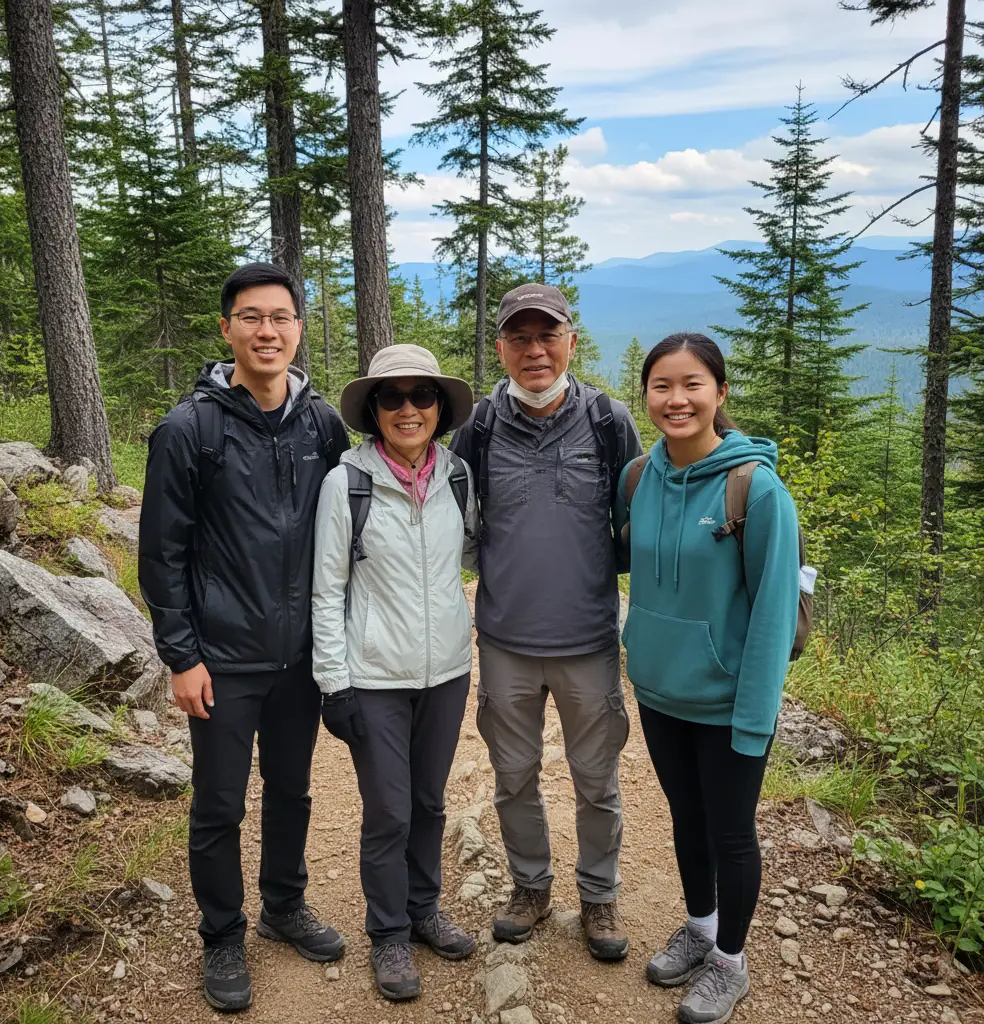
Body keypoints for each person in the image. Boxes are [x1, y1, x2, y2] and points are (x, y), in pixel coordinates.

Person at [138, 263, 351, 1013]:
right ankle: (223, 932)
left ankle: (284, 905)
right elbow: (161, 554)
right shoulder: (189, 428)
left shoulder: (323, 423)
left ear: (299, 327)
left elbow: (344, 535)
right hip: (222, 660)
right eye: (253, 318)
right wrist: (182, 656)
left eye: (282, 318)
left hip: (299, 659)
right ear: (227, 327)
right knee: (220, 803)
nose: (269, 331)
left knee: (291, 789)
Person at [450, 284, 643, 961]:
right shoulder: (478, 426)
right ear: (500, 347)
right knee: (513, 775)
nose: (535, 350)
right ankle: (530, 888)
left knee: (597, 780)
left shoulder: (608, 420)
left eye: (547, 335)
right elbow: (460, 521)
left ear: (571, 340)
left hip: (589, 637)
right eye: (520, 338)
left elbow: (635, 526)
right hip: (504, 638)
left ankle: (599, 895)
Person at [614, 333, 800, 1024]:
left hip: (727, 703)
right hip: (661, 694)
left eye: (692, 384)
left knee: (731, 833)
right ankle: (699, 925)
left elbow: (774, 616)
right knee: (686, 820)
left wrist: (755, 718)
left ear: (720, 393)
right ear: (647, 397)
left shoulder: (756, 488)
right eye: (662, 386)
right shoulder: (637, 478)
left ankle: (730, 962)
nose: (676, 399)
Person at [310, 344, 479, 1002]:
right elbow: (327, 591)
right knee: (389, 810)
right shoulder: (346, 484)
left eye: (421, 396)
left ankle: (423, 909)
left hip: (446, 674)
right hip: (374, 676)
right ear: (373, 409)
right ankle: (388, 933)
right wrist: (335, 683)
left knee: (430, 803)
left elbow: (470, 560)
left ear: (440, 406)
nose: (408, 409)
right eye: (392, 398)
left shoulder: (457, 477)